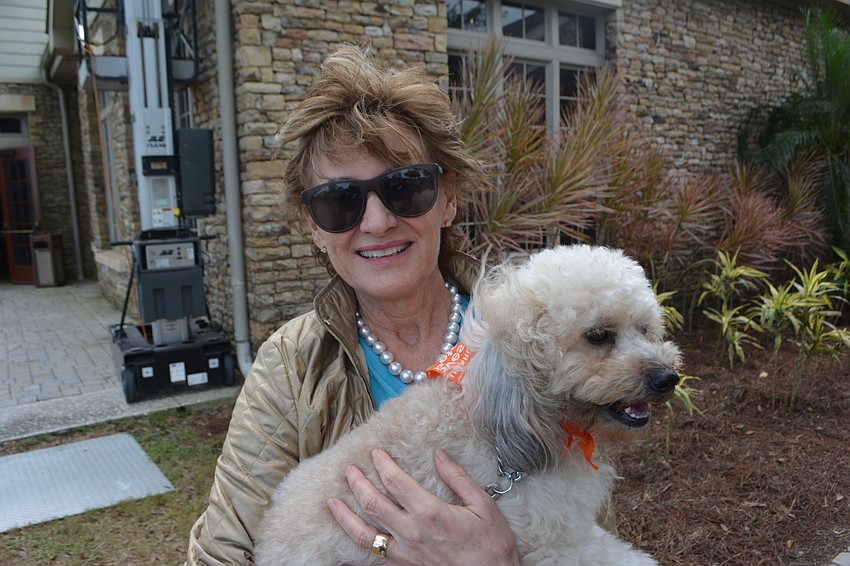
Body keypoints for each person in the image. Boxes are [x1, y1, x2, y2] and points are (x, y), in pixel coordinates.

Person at [186, 44, 523, 565]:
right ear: (314, 228)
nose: (377, 222)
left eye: (404, 188)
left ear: (448, 198)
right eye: (339, 200)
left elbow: (583, 530)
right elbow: (222, 554)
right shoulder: (292, 367)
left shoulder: (530, 338)